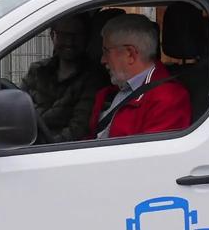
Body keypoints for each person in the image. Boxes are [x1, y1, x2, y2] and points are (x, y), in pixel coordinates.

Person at [89, 13, 190, 139]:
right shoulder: (113, 91)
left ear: (130, 54)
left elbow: (152, 151)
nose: (103, 60)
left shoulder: (167, 100)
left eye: (106, 52)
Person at [21, 14, 107, 142]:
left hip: (59, 150)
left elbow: (78, 129)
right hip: (25, 143)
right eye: (63, 35)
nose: (69, 42)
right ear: (52, 36)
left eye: (76, 35)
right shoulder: (37, 70)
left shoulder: (93, 78)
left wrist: (45, 147)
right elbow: (17, 111)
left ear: (86, 38)